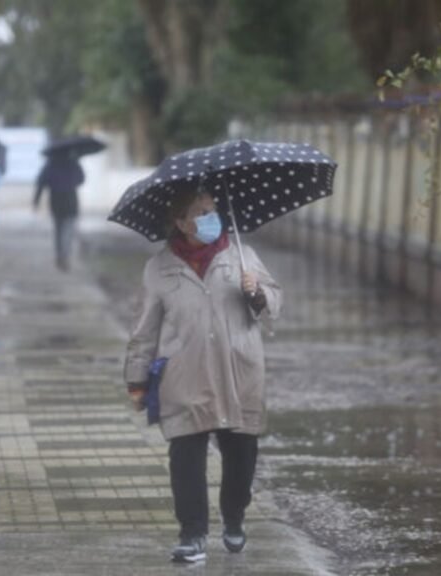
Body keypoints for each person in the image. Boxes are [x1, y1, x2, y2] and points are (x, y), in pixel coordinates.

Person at [123, 188, 282, 564]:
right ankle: (192, 534)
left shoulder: (242, 255)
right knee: (185, 455)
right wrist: (137, 380)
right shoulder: (159, 268)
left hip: (238, 370)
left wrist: (257, 293)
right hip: (184, 373)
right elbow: (144, 329)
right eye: (201, 212)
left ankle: (234, 514)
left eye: (213, 210)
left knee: (241, 452)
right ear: (181, 222)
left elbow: (274, 303)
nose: (212, 218)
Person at [34, 151, 84, 271]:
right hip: (71, 202)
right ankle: (65, 256)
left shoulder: (50, 165)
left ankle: (60, 256)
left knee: (59, 230)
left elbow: (41, 182)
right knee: (68, 231)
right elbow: (81, 179)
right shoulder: (73, 163)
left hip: (56, 202)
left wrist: (36, 200)